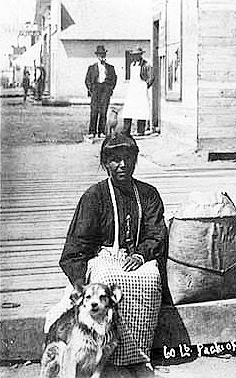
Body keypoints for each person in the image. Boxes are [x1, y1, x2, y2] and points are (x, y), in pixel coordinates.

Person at [57, 133, 170, 377]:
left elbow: (157, 233)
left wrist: (141, 255)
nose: (122, 165)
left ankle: (136, 355)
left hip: (137, 257)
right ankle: (104, 355)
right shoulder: (94, 196)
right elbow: (78, 245)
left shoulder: (148, 194)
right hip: (104, 257)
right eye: (115, 160)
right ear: (105, 163)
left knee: (149, 279)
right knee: (107, 277)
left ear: (135, 160)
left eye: (128, 159)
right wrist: (81, 284)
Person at [85, 45, 117, 138]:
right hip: (96, 89)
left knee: (103, 111)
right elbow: (87, 80)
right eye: (100, 54)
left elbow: (114, 79)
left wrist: (110, 89)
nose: (102, 56)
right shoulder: (92, 67)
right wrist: (91, 90)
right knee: (94, 111)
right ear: (97, 56)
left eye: (103, 54)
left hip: (105, 89)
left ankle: (102, 131)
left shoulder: (110, 68)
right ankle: (92, 131)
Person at [122, 47, 154, 136]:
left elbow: (151, 77)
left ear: (140, 55)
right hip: (132, 89)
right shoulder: (132, 64)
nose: (135, 57)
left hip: (141, 90)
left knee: (141, 110)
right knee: (128, 110)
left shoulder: (146, 65)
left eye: (137, 55)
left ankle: (140, 130)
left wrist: (145, 86)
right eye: (134, 55)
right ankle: (126, 131)